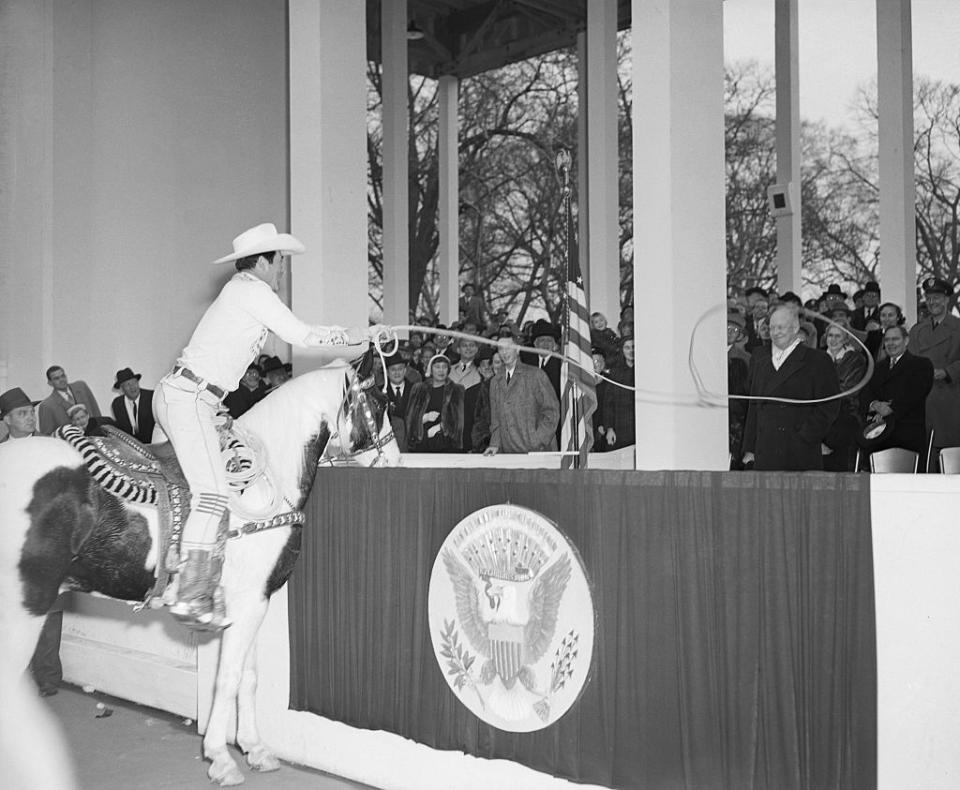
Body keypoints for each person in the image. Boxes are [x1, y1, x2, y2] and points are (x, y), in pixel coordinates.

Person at [154, 222, 373, 629]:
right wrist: (356, 337)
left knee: (202, 489)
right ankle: (192, 593)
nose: (282, 271)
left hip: (193, 398)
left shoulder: (242, 293)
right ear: (265, 261)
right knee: (213, 494)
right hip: (189, 399)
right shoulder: (251, 290)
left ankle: (184, 573)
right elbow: (300, 334)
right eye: (280, 263)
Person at [0, 387, 64, 696]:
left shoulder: (50, 448)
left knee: (49, 613)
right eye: (22, 414)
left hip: (47, 544)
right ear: (7, 420)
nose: (29, 418)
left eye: (31, 412)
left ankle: (49, 678)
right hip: (12, 547)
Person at [741, 304, 841, 471]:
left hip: (799, 451)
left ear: (795, 328)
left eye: (781, 327)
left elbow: (829, 406)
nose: (775, 332)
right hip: (765, 449)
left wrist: (806, 435)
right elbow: (753, 406)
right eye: (771, 327)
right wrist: (749, 448)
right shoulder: (760, 358)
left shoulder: (818, 360)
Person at [859, 325, 934, 464]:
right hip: (877, 436)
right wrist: (874, 404)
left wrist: (890, 408)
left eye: (895, 339)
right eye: (887, 340)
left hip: (907, 436)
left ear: (906, 341)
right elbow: (865, 393)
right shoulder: (877, 367)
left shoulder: (921, 364)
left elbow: (916, 393)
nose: (891, 343)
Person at [908, 277, 960, 470]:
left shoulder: (958, 327)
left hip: (950, 398)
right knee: (924, 455)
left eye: (937, 298)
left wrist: (947, 371)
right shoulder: (917, 330)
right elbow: (910, 363)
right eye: (929, 298)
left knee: (949, 457)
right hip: (922, 401)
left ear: (947, 300)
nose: (932, 303)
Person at [483, 337, 559, 455]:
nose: (504, 352)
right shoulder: (495, 381)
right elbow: (496, 419)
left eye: (508, 348)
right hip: (508, 452)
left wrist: (538, 440)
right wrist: (495, 444)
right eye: (501, 349)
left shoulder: (535, 375)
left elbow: (551, 411)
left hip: (537, 451)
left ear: (517, 349)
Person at [821, 324, 867, 471]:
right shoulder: (817, 357)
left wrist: (821, 392)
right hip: (820, 420)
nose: (833, 340)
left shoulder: (856, 359)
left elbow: (848, 390)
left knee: (843, 469)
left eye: (837, 336)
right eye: (830, 335)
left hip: (845, 419)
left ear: (846, 339)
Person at [405, 354, 464, 452]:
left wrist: (440, 427)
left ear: (448, 370)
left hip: (445, 442)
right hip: (421, 442)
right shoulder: (418, 388)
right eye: (437, 367)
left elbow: (459, 419)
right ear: (431, 369)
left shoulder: (457, 389)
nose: (441, 370)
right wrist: (425, 418)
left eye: (444, 367)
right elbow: (410, 417)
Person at [37, 365, 102, 435]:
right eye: (56, 378)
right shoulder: (47, 406)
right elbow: (47, 435)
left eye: (63, 376)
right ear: (50, 382)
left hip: (97, 436)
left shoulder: (81, 387)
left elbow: (96, 411)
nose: (61, 380)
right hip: (69, 443)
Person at [601, 333, 636, 450]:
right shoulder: (615, 373)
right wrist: (609, 428)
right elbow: (608, 404)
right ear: (622, 350)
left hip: (640, 427)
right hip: (620, 428)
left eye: (634, 347)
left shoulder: (644, 371)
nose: (631, 351)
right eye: (627, 347)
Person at [449, 335, 483, 452]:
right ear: (458, 349)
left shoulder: (481, 370)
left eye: (472, 345)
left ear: (477, 349)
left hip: (471, 421)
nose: (468, 348)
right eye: (464, 345)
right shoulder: (449, 370)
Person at [110, 367, 156, 443]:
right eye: (127, 385)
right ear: (121, 389)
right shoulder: (117, 404)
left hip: (153, 444)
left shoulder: (151, 397)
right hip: (131, 447)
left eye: (134, 382)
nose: (132, 387)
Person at [384, 351, 415, 452]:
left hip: (414, 446)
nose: (397, 373)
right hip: (389, 446)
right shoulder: (380, 393)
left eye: (400, 369)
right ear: (387, 372)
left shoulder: (416, 390)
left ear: (405, 370)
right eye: (393, 369)